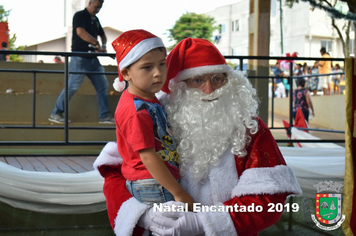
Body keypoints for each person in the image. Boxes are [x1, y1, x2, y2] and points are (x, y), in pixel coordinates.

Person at [94, 38, 302, 236]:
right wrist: (143, 215)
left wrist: (204, 222)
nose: (209, 89)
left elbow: (269, 198)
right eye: (197, 80)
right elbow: (117, 175)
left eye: (217, 79)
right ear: (179, 85)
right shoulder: (153, 116)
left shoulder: (250, 127)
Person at [111, 30, 194, 211]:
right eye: (147, 67)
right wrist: (179, 192)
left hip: (158, 181)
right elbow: (147, 156)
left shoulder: (148, 99)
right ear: (126, 73)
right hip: (153, 184)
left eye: (162, 64)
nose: (157, 73)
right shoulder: (136, 110)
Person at [48, 0, 114, 124]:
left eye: (100, 8)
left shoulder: (96, 20)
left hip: (93, 60)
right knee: (72, 86)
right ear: (90, 3)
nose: (97, 10)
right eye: (96, 7)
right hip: (79, 58)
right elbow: (80, 32)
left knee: (103, 86)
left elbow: (103, 35)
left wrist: (103, 45)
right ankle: (56, 112)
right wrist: (96, 43)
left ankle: (104, 115)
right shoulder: (79, 15)